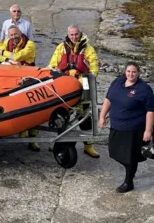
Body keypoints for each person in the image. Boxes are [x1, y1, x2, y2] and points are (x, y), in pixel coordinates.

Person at [99, 61, 154, 193]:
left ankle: (128, 182)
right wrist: (102, 116)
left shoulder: (144, 89)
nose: (131, 74)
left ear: (138, 73)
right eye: (129, 71)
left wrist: (148, 130)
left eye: (134, 72)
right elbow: (108, 99)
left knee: (130, 157)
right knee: (114, 152)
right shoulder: (117, 82)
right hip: (116, 126)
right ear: (125, 71)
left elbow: (150, 111)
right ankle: (131, 166)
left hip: (133, 129)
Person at [49, 24, 100, 158]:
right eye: (71, 35)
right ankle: (58, 142)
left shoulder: (88, 49)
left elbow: (94, 69)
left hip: (82, 87)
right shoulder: (61, 48)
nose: (74, 37)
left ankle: (88, 146)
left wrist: (85, 77)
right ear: (68, 34)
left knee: (85, 117)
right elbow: (52, 65)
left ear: (80, 33)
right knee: (61, 116)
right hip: (65, 87)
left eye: (76, 34)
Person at [0, 25, 39, 150]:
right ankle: (21, 130)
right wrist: (9, 59)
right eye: (11, 35)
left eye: (15, 34)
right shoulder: (7, 42)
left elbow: (18, 56)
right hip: (12, 80)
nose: (13, 37)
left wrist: (5, 54)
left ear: (20, 33)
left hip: (28, 79)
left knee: (33, 110)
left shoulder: (29, 44)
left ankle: (34, 139)